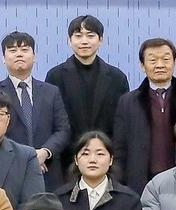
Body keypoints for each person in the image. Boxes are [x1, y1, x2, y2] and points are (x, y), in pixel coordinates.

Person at [112, 38, 176, 195]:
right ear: (142, 65)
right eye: (153, 60)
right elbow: (119, 148)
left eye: (166, 59)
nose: (160, 65)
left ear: (174, 63)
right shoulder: (128, 102)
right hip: (140, 182)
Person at [0, 31, 71, 188]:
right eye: (12, 50)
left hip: (48, 171)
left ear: (34, 56)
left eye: (24, 50)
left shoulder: (51, 92)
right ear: (3, 58)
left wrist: (44, 153)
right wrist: (27, 157)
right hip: (8, 171)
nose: (19, 54)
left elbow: (63, 130)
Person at [44, 15, 129, 169]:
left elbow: (121, 124)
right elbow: (51, 121)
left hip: (106, 158)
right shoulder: (55, 76)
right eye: (78, 36)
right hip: (66, 160)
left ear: (101, 39)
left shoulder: (117, 78)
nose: (84, 41)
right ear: (69, 40)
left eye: (90, 36)